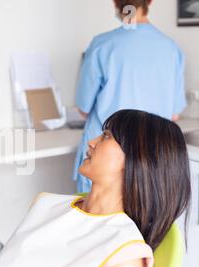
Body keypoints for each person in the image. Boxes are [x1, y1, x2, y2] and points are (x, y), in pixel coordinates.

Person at [0, 110, 191, 267]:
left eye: (106, 136)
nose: (91, 142)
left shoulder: (123, 257)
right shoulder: (48, 204)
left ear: (138, 160)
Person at [74, 0, 187, 192]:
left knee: (94, 219)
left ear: (115, 3)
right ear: (150, 1)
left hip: (105, 161)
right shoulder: (171, 48)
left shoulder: (103, 45)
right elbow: (174, 115)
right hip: (149, 163)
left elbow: (83, 109)